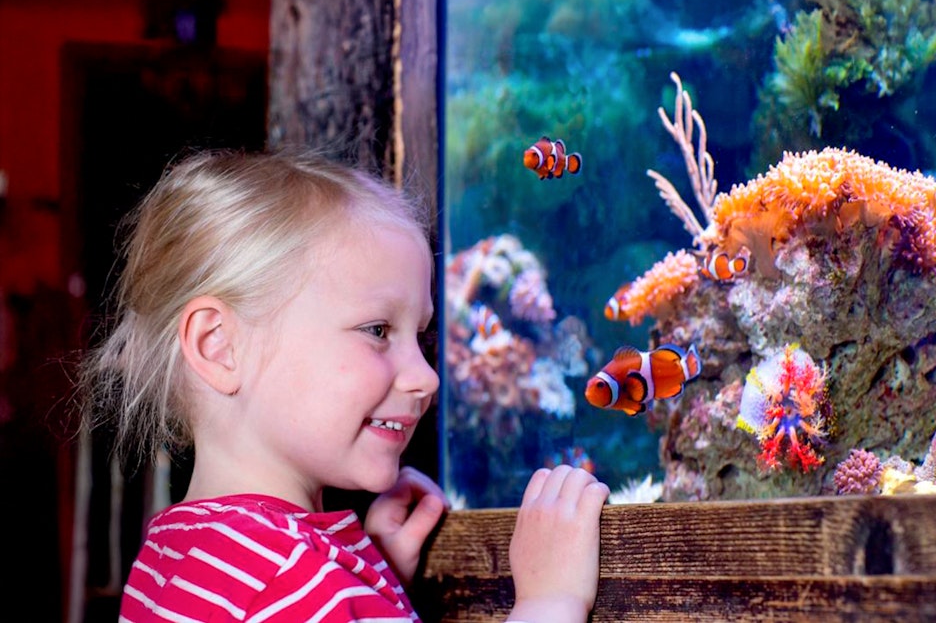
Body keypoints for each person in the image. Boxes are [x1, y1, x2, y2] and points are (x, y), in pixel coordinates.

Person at [78, 149, 610, 622]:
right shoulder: (298, 586)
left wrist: (371, 582)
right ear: (220, 346)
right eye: (377, 331)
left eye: (420, 338)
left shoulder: (177, 554)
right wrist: (549, 600)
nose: (426, 378)